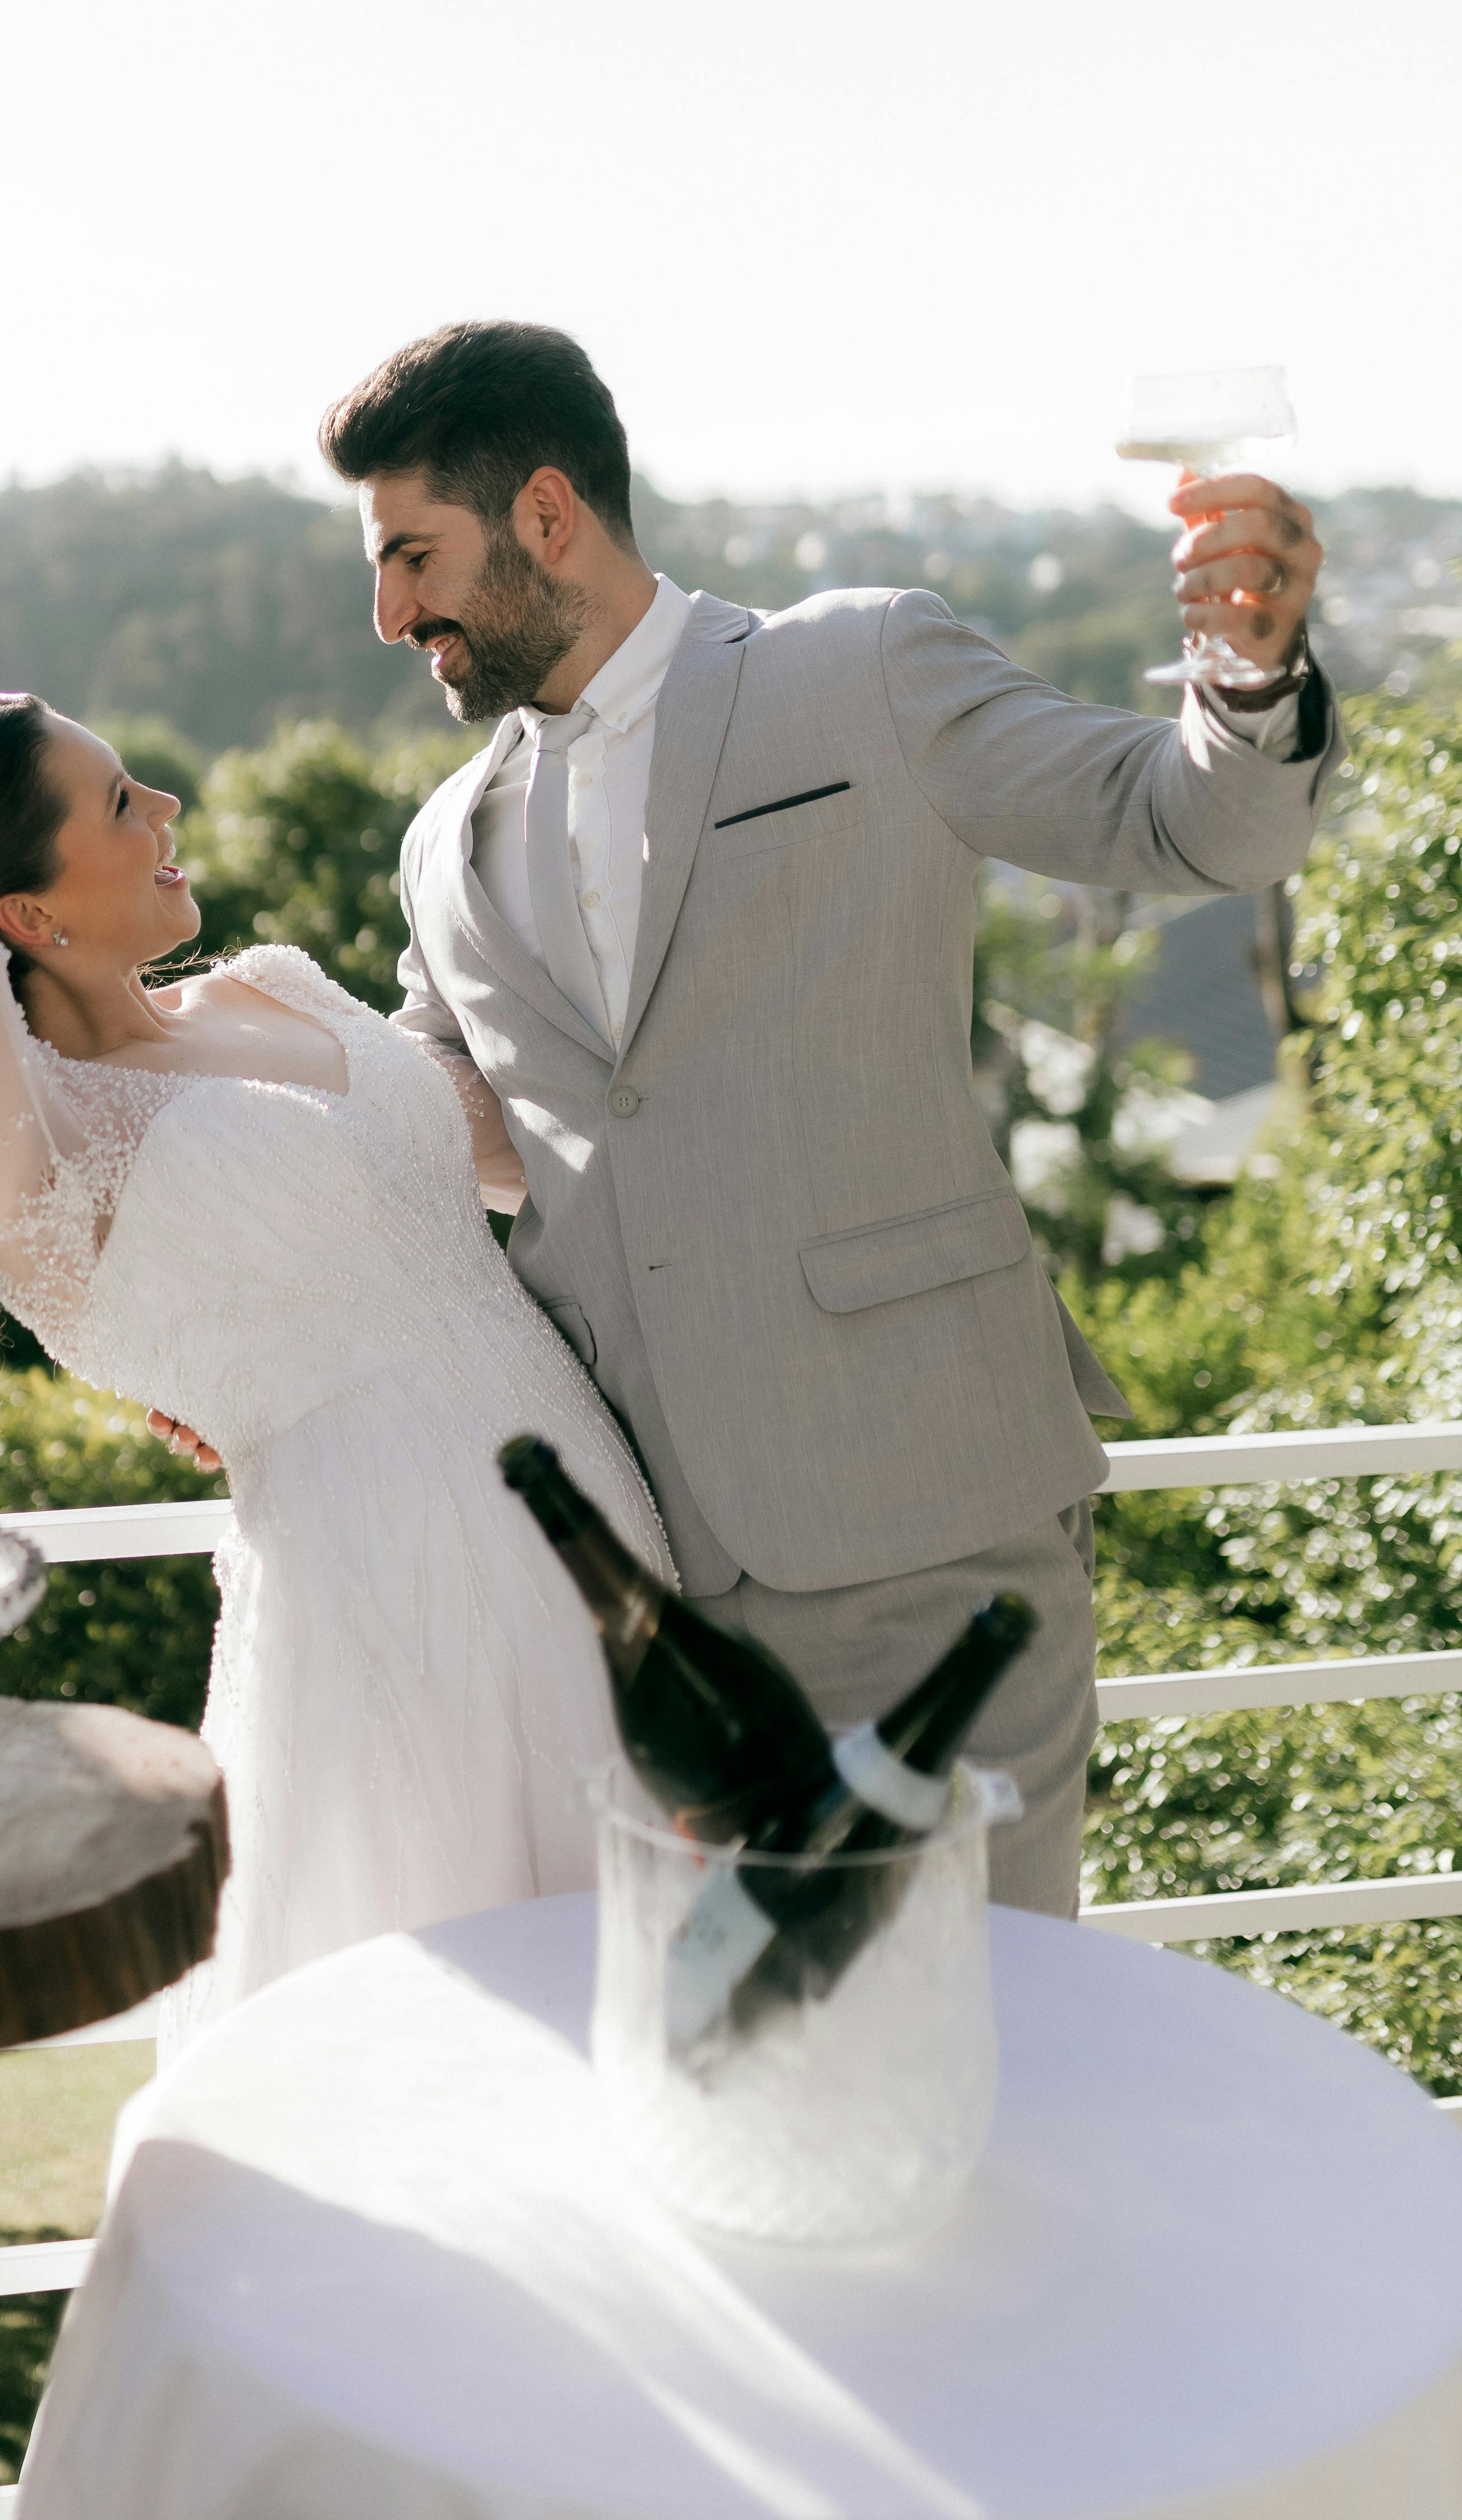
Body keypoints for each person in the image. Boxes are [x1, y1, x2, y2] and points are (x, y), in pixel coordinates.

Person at [285, 317, 1340, 1914]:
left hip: (932, 1531)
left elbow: (1192, 823)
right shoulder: (446, 844)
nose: (389, 612)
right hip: (651, 1594)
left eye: (413, 556)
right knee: (742, 2065)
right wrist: (259, 1303)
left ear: (549, 518)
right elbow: (442, 1143)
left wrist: (1248, 671)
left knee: (994, 2033)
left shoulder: (860, 671)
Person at [0, 442, 676, 2049]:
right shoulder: (26, 1146)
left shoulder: (268, 987)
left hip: (601, 1539)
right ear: (28, 916)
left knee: (673, 2035)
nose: (171, 809)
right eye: (124, 804)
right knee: (465, 2062)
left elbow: (534, 1149)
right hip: (387, 1594)